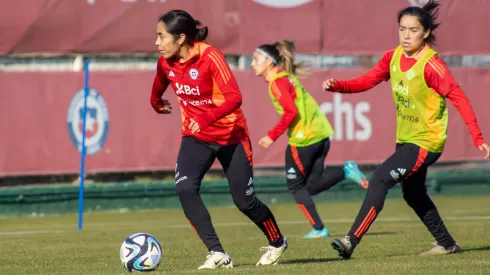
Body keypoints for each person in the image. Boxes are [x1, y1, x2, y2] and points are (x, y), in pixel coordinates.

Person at [323, 0, 490, 259]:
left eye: (413, 30)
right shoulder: (393, 56)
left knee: (379, 178)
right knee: (413, 194)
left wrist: (477, 137)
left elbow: (459, 97)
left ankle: (350, 240)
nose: (406, 35)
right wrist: (339, 86)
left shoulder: (431, 65)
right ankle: (446, 244)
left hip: (427, 141)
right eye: (402, 29)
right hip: (406, 139)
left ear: (425, 33)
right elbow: (368, 80)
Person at [150, 10, 288, 269]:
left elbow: (235, 98)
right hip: (195, 137)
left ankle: (278, 242)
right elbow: (159, 84)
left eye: (161, 37)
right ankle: (217, 254)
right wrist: (156, 102)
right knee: (184, 187)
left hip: (231, 136)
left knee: (245, 202)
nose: (157, 43)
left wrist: (206, 118)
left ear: (180, 38)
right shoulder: (165, 62)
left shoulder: (210, 56)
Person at [250, 40, 369, 239]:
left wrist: (272, 136)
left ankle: (319, 228)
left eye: (256, 59)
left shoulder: (277, 82)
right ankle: (346, 170)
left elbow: (290, 112)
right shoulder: (286, 78)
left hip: (304, 139)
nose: (253, 63)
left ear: (270, 62)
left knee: (295, 186)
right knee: (312, 185)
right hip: (321, 135)